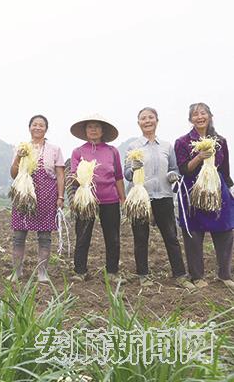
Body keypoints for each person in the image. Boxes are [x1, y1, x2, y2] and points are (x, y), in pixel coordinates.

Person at [124, 107, 194, 289]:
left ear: (157, 120)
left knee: (171, 236)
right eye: (143, 118)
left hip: (163, 196)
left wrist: (173, 176)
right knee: (140, 238)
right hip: (140, 198)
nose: (147, 121)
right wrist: (133, 168)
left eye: (151, 117)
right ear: (138, 122)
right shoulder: (133, 147)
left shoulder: (166, 146)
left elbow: (174, 168)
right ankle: (143, 275)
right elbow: (126, 174)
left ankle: (179, 274)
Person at [174, 102, 234, 289]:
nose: (199, 117)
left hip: (217, 190)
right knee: (194, 233)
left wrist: (230, 189)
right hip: (193, 192)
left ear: (209, 116)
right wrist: (200, 156)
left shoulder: (221, 141)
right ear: (190, 119)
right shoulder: (183, 142)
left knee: (224, 231)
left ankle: (224, 274)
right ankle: (197, 276)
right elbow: (184, 170)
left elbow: (224, 170)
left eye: (203, 113)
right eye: (195, 114)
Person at [8, 115, 65, 283]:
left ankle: (42, 273)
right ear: (29, 127)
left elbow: (60, 174)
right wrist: (19, 157)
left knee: (44, 237)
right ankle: (16, 272)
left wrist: (60, 196)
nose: (38, 127)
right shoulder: (22, 147)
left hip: (47, 194)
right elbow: (13, 174)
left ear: (46, 129)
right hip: (24, 194)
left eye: (41, 125)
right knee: (19, 235)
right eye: (35, 125)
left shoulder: (54, 149)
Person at [69, 114, 126, 283]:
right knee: (83, 235)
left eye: (97, 127)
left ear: (102, 131)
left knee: (113, 237)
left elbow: (118, 176)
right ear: (85, 131)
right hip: (86, 201)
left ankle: (112, 272)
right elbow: (73, 175)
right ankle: (80, 271)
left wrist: (122, 198)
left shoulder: (112, 151)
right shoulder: (78, 152)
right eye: (90, 127)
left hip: (110, 200)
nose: (93, 130)